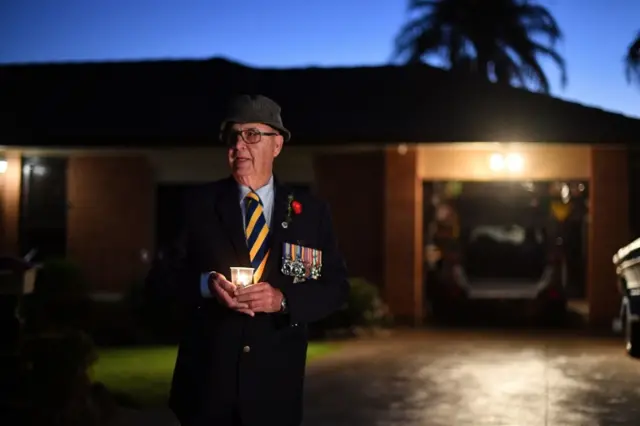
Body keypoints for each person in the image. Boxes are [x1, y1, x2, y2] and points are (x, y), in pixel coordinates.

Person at [145, 94, 350, 426]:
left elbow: (336, 288)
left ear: (277, 144)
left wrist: (283, 300)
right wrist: (204, 285)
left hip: (274, 395)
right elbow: (159, 282)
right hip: (207, 393)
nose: (239, 145)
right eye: (233, 136)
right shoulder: (197, 205)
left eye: (251, 134)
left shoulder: (309, 213)